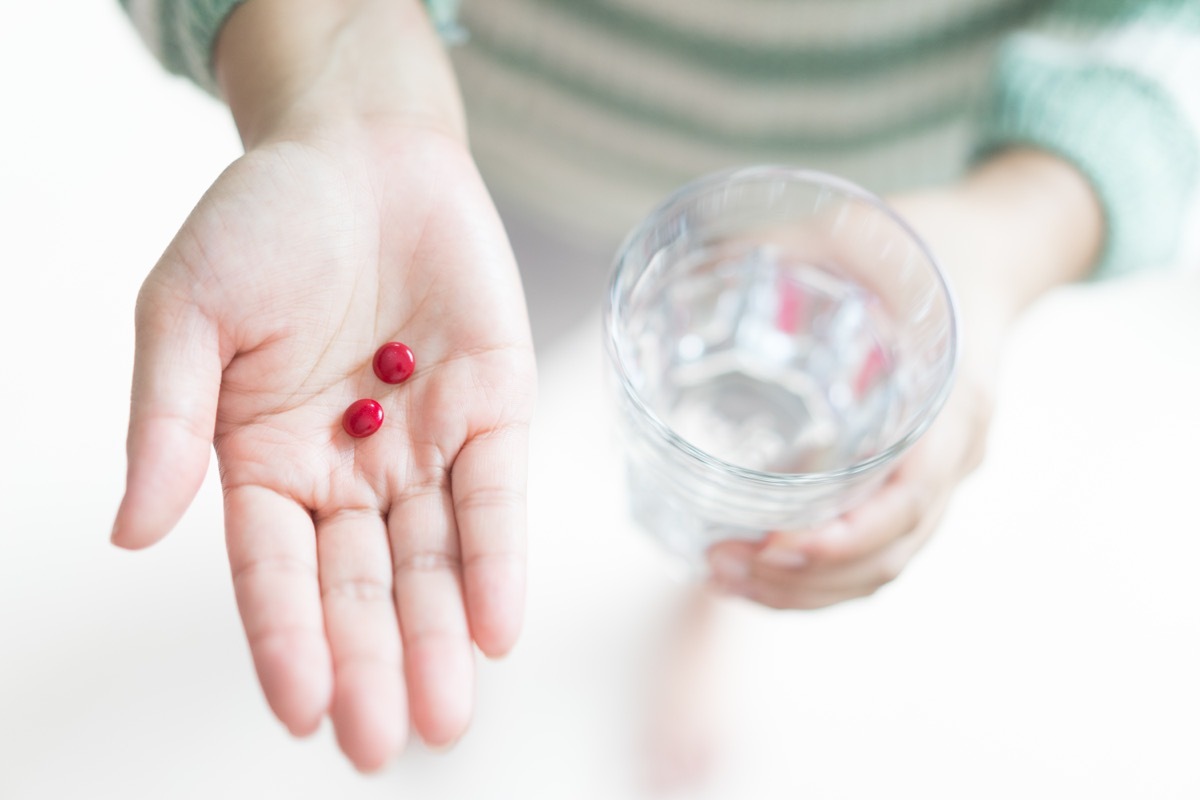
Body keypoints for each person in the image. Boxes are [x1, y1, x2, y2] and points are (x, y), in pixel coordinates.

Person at [114, 0, 1200, 775]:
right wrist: (332, 61)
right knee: (464, 401)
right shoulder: (424, 225)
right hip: (466, 161)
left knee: (779, 497)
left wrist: (1016, 228)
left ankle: (718, 586)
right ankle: (558, 578)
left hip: (855, 226)